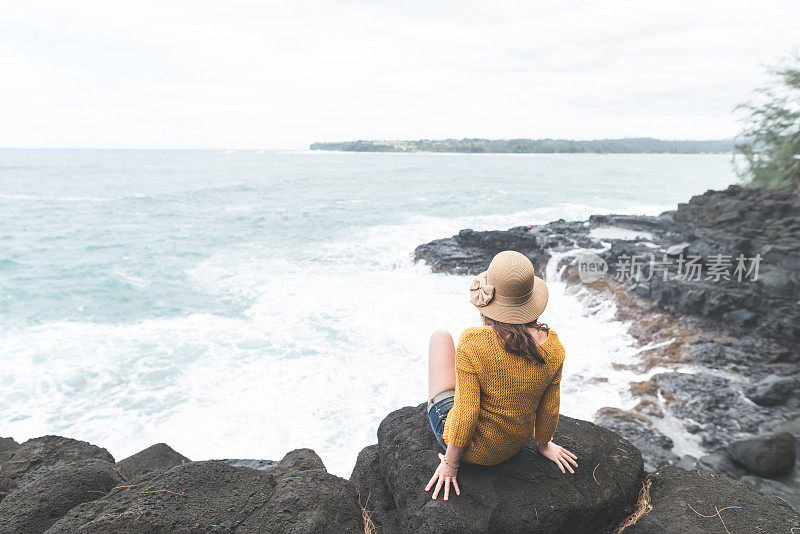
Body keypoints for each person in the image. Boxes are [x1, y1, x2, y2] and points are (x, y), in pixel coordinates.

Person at [425, 250, 578, 501]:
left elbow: (466, 412)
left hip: (470, 449)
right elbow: (549, 408)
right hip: (512, 445)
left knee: (440, 337)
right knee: (471, 371)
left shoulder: (473, 341)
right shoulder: (554, 348)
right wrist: (544, 445)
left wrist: (451, 464)